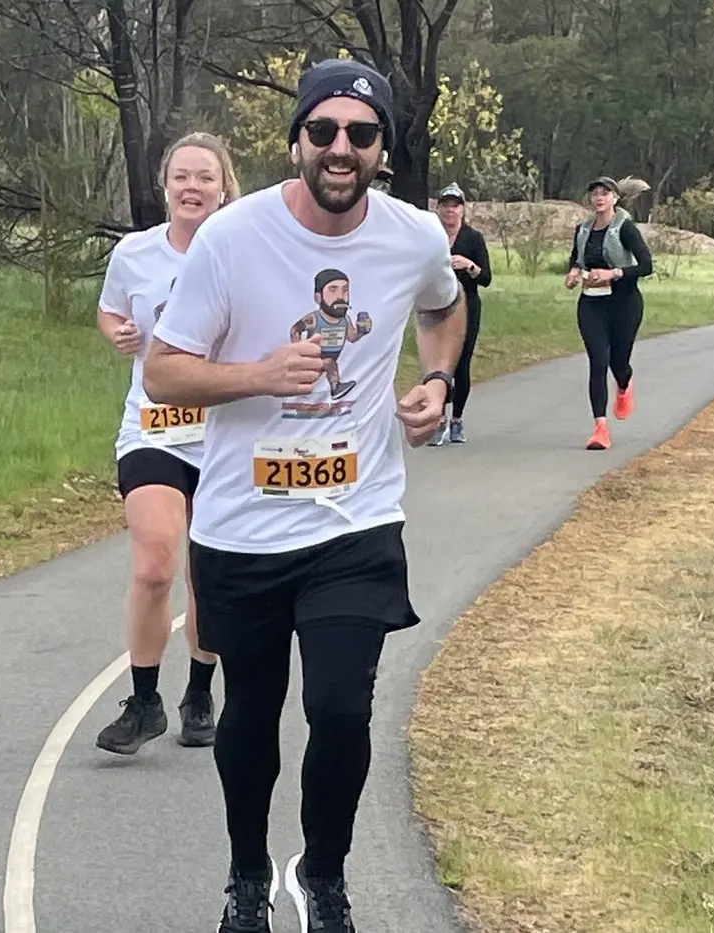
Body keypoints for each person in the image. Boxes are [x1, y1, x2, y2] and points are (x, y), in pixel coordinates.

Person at [144, 58, 465, 933]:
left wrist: (438, 381)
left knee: (340, 710)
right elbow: (163, 368)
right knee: (251, 717)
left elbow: (444, 308)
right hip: (243, 529)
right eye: (323, 131)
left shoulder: (412, 237)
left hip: (356, 523)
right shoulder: (232, 238)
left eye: (361, 134)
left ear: (382, 149)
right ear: (297, 142)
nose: (340, 148)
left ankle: (324, 875)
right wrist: (256, 373)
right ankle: (248, 876)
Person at [94, 131, 240, 755]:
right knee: (155, 565)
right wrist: (119, 333)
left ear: (224, 189)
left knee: (208, 576)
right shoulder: (135, 253)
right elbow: (110, 311)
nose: (192, 187)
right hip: (153, 428)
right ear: (165, 186)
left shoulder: (242, 252)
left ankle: (199, 692)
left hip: (224, 434)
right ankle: (144, 701)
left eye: (205, 177)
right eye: (182, 176)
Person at [564, 175, 654, 450]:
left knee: (618, 363)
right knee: (598, 362)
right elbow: (577, 258)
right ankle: (600, 429)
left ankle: (624, 385)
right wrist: (574, 272)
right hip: (592, 304)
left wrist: (613, 273)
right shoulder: (583, 229)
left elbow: (647, 266)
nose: (599, 198)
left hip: (625, 304)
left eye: (605, 193)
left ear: (614, 198)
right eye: (595, 194)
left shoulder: (625, 228)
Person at [428, 183, 491, 446]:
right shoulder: (431, 237)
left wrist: (470, 265)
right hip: (437, 308)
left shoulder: (473, 238)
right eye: (445, 205)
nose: (450, 211)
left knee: (461, 364)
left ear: (463, 210)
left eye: (455, 206)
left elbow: (486, 278)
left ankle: (457, 419)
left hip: (467, 306)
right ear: (438, 209)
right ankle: (439, 419)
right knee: (438, 366)